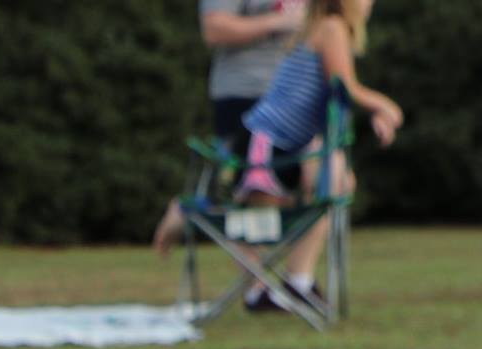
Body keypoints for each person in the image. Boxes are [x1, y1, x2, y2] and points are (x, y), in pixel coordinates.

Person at [233, 0, 402, 310]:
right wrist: (385, 106)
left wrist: (373, 112)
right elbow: (344, 87)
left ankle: (295, 283)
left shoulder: (322, 29)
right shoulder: (331, 28)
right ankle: (264, 291)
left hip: (285, 143)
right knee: (258, 225)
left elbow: (336, 99)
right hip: (265, 143)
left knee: (337, 180)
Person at [150, 0, 305, 257]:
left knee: (320, 186)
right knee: (246, 193)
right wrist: (279, 22)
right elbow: (214, 28)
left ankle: (297, 284)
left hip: (296, 100)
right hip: (246, 95)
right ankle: (262, 289)